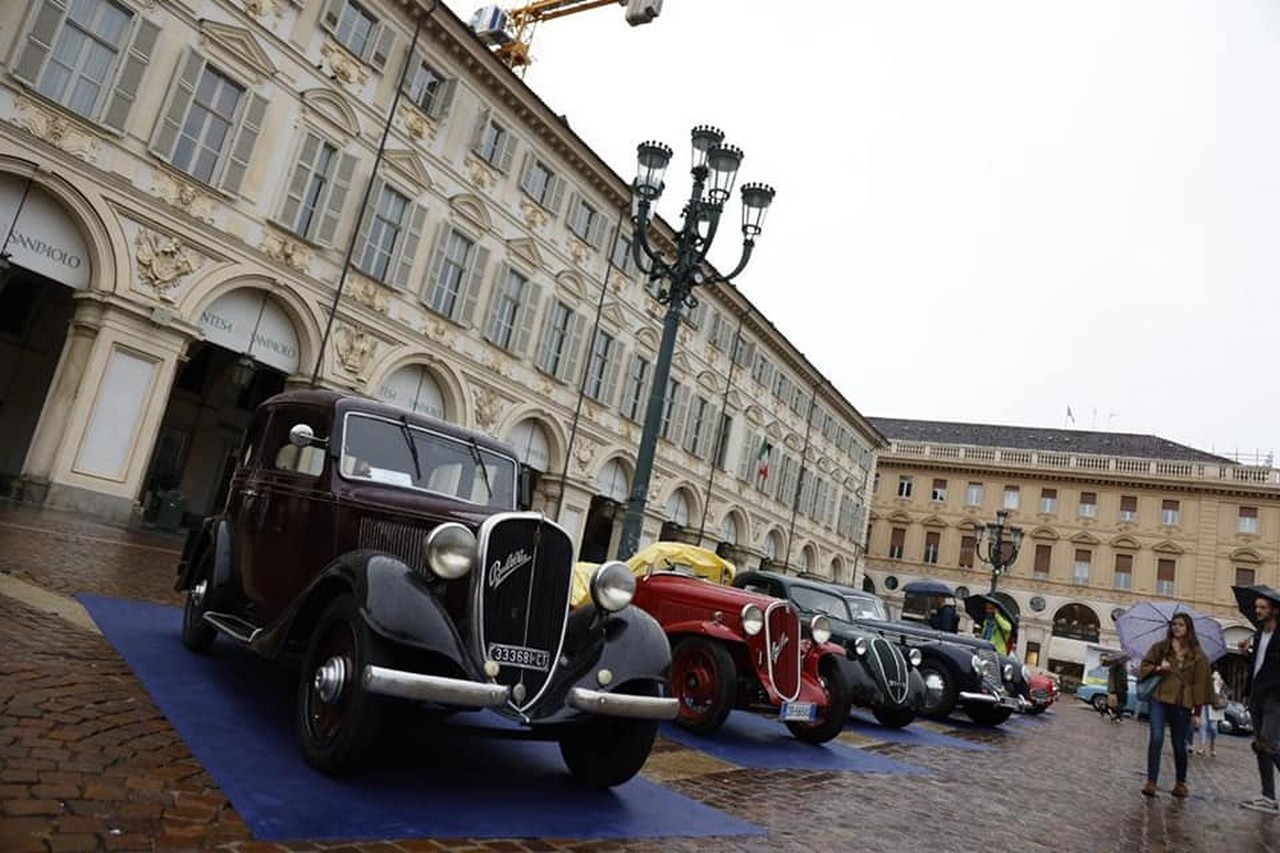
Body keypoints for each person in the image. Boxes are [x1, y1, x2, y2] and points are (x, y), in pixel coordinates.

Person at [1139, 613, 1213, 798]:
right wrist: (1157, 668)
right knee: (1156, 738)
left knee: (1179, 744)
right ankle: (1151, 781)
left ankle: (1180, 783)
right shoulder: (1160, 648)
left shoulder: (1198, 655)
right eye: (1174, 624)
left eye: (1181, 625)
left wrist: (1197, 712)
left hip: (1182, 702)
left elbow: (1200, 685)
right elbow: (1143, 667)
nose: (1176, 627)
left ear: (1188, 629)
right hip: (1159, 698)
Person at [1239, 590, 1280, 813]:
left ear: (1274, 609)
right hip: (1256, 694)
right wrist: (1246, 654)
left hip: (1275, 697)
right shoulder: (1257, 634)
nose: (1258, 611)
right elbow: (1256, 665)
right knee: (1260, 747)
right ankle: (1268, 796)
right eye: (1256, 607)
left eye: (1262, 607)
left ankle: (1269, 796)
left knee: (1269, 745)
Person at [1196, 668, 1226, 756]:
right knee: (1203, 724)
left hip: (1214, 705)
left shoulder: (1218, 677)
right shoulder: (1201, 675)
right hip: (1204, 703)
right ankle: (1202, 747)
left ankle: (1212, 744)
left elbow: (1224, 690)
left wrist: (1217, 682)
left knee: (1213, 727)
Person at [1106, 655, 1129, 723]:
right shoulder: (1122, 669)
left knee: (1118, 702)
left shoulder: (1113, 669)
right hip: (1121, 689)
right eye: (1126, 661)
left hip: (1114, 688)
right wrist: (1126, 687)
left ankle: (1117, 716)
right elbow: (1123, 680)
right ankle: (1116, 714)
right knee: (1123, 703)